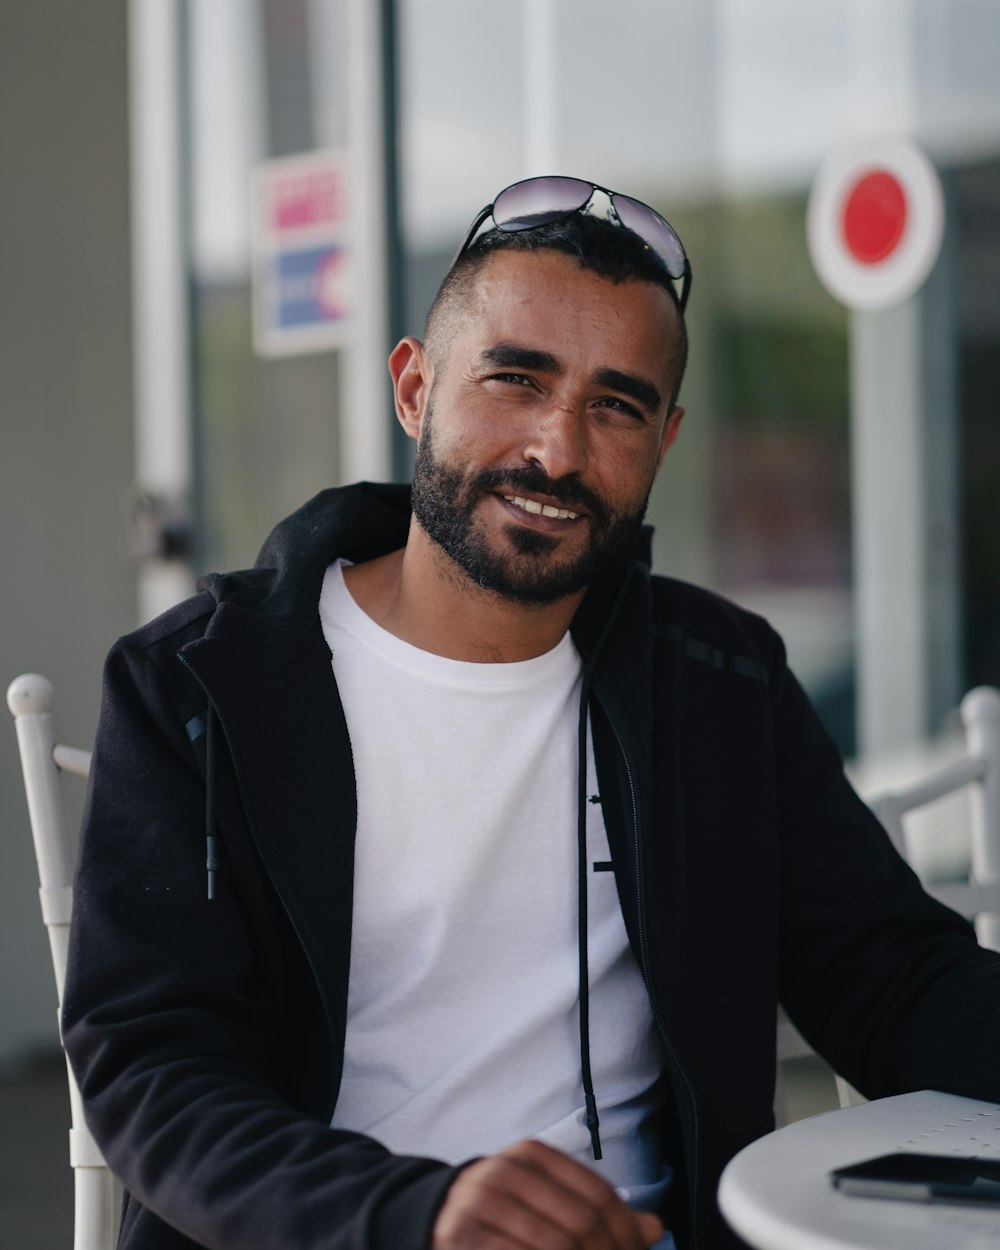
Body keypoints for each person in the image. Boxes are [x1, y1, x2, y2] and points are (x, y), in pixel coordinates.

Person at [62, 176, 1000, 1250]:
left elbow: (887, 974)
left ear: (665, 438)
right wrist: (417, 1212)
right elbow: (153, 1067)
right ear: (414, 388)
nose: (557, 449)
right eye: (516, 378)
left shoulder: (715, 676)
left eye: (616, 404)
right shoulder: (199, 683)